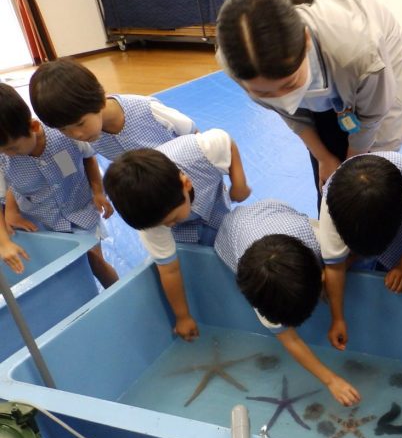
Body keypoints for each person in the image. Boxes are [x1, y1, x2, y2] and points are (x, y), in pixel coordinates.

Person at [216, 0, 402, 207]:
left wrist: (352, 165)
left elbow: (372, 117)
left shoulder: (359, 52)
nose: (282, 98)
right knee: (328, 168)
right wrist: (323, 158)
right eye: (264, 94)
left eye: (290, 85)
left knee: (373, 167)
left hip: (373, 55)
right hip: (333, 62)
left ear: (307, 39)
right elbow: (290, 113)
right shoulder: (234, 61)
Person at [103, 129, 251, 340]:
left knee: (229, 242)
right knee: (192, 256)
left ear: (186, 184)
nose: (168, 225)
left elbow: (226, 141)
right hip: (186, 232)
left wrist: (239, 184)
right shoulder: (151, 222)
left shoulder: (200, 151)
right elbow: (169, 270)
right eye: (163, 224)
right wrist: (183, 316)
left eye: (171, 219)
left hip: (213, 205)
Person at [214, 199, 360, 406]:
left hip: (275, 212)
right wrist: (331, 380)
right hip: (234, 231)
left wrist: (338, 317)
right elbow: (290, 340)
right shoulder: (262, 289)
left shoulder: (318, 238)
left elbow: (342, 259)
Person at [0, 83, 118, 287]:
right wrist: (5, 242)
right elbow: (7, 187)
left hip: (79, 212)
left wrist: (98, 192)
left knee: (95, 262)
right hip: (41, 222)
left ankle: (117, 292)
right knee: (59, 273)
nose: (9, 154)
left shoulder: (66, 134)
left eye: (13, 147)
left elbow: (88, 157)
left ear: (34, 127)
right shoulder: (4, 157)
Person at [319, 152, 402, 350]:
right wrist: (338, 319)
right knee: (352, 271)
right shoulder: (332, 207)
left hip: (400, 237)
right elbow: (334, 265)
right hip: (359, 234)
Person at [28, 58, 212, 166]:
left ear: (98, 100)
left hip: (190, 175)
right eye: (63, 129)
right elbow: (76, 154)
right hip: (156, 194)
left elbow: (193, 133)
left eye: (80, 124)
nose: (76, 134)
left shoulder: (147, 109)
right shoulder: (87, 136)